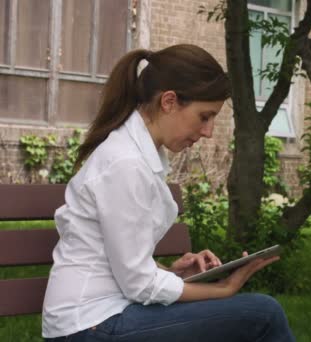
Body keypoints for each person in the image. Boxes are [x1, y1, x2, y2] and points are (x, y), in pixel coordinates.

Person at [42, 44, 295, 342]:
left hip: (106, 316)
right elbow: (138, 284)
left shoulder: (136, 154)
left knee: (258, 314)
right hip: (89, 326)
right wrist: (221, 289)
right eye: (204, 116)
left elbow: (123, 263)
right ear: (169, 101)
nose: (209, 131)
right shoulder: (125, 163)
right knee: (264, 314)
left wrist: (172, 274)